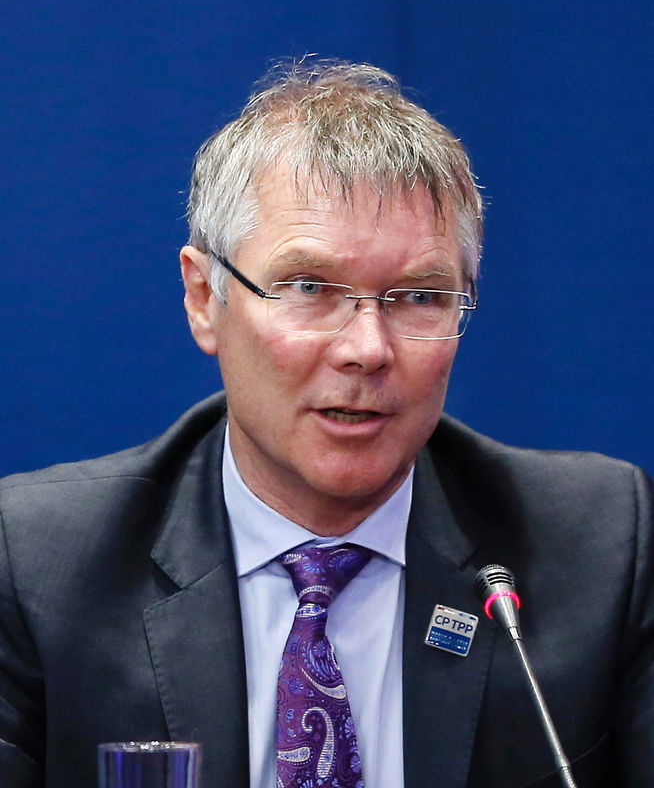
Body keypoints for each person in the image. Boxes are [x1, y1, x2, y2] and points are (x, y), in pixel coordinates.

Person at [0, 59, 652, 788]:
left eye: (420, 297)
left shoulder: (600, 549)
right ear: (202, 297)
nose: (368, 349)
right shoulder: (35, 566)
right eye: (309, 287)